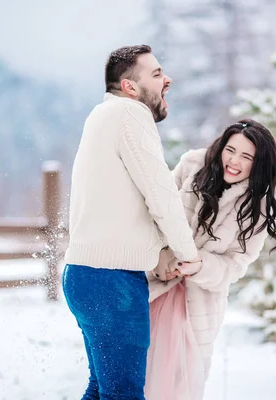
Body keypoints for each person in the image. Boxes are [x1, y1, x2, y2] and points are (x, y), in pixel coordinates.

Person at [62, 44, 201, 400]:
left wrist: (158, 254)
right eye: (156, 74)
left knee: (102, 390)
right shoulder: (130, 115)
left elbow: (125, 208)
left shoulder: (101, 117)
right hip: (112, 284)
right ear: (129, 87)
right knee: (121, 395)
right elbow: (160, 194)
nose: (167, 80)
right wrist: (187, 254)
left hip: (84, 276)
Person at [145, 119, 276, 400]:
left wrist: (200, 266)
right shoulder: (192, 165)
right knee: (139, 374)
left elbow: (235, 265)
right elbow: (154, 214)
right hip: (153, 288)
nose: (234, 161)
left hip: (198, 305)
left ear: (259, 164)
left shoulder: (257, 206)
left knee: (180, 385)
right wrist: (159, 257)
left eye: (246, 157)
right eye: (230, 150)